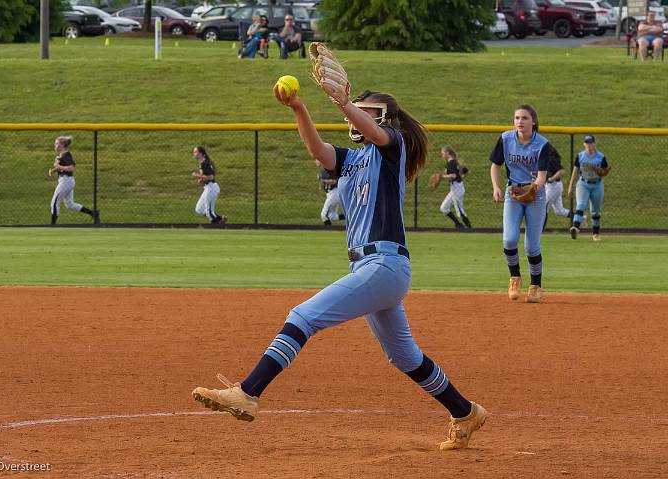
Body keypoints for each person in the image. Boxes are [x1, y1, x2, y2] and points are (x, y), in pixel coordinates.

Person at [192, 81, 487, 450]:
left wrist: (345, 102)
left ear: (387, 121)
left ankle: (248, 392)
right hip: (368, 268)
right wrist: (299, 108)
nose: (361, 117)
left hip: (384, 263)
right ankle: (465, 412)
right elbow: (319, 151)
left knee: (303, 316)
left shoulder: (392, 146)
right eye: (358, 111)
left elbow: (375, 133)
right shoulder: (351, 158)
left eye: (369, 112)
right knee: (404, 356)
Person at [489, 104, 550, 303]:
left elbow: (542, 177)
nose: (520, 122)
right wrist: (496, 187)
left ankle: (535, 286)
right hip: (512, 192)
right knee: (509, 239)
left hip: (536, 196)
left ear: (533, 121)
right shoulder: (506, 139)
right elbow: (495, 166)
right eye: (517, 118)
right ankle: (514, 277)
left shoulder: (542, 144)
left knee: (532, 246)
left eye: (524, 118)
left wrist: (532, 189)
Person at [567, 135, 610, 241]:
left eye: (591, 143)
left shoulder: (601, 157)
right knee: (581, 205)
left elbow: (604, 171)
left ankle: (596, 234)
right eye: (587, 143)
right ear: (584, 144)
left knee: (595, 210)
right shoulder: (580, 156)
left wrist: (600, 171)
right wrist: (570, 186)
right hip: (583, 183)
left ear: (595, 144)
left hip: (597, 184)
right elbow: (575, 171)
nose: (589, 145)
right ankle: (575, 228)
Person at [48, 136, 98, 225]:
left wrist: (58, 167)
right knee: (70, 204)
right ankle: (93, 213)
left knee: (55, 202)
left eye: (57, 143)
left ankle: (52, 225)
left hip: (66, 181)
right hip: (67, 181)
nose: (55, 145)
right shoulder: (61, 155)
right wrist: (54, 170)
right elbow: (63, 167)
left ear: (62, 145)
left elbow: (71, 168)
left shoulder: (66, 155)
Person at [437, 146, 471, 229]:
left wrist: (442, 177)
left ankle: (469, 228)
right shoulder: (456, 162)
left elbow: (453, 175)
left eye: (443, 153)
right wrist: (461, 177)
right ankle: (459, 225)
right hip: (455, 188)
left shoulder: (450, 163)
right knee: (444, 208)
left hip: (456, 188)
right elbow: (467, 171)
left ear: (447, 153)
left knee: (459, 210)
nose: (442, 155)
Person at [192, 146, 226, 224]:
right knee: (199, 209)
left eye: (195, 152)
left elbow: (211, 177)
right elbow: (207, 176)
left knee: (209, 212)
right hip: (208, 187)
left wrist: (198, 175)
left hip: (211, 188)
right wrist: (201, 180)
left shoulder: (205, 163)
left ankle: (218, 225)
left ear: (200, 153)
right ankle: (220, 219)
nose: (194, 154)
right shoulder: (203, 163)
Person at [543, 143, 571, 230]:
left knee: (544, 207)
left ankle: (540, 229)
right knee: (559, 210)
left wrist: (551, 178)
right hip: (550, 186)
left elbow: (562, 171)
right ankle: (580, 219)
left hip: (554, 186)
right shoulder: (544, 158)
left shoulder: (551, 159)